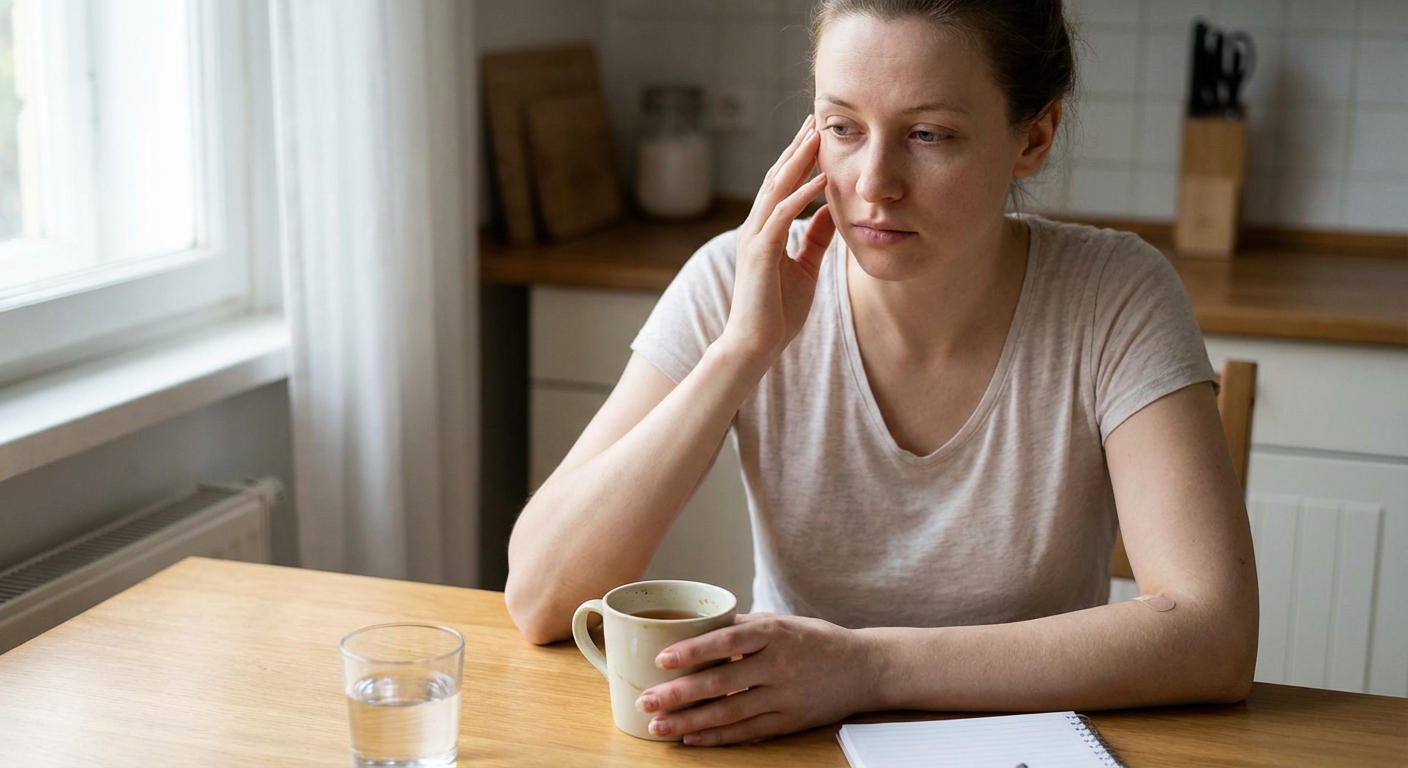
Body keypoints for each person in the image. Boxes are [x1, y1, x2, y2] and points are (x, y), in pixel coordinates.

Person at [505, 0, 1258, 747]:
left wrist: (867, 667)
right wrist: (741, 352)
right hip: (793, 746)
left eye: (928, 134)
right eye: (842, 127)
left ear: (1033, 138)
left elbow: (1214, 633)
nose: (874, 182)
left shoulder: (1114, 294)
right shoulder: (739, 280)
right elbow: (540, 597)